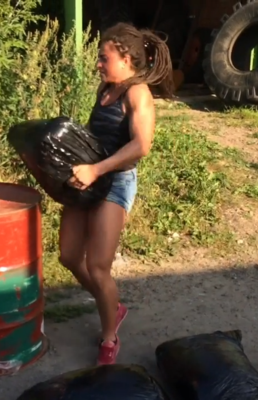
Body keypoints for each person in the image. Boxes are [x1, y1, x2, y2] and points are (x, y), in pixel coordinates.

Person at [58, 22, 174, 365]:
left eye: (103, 58)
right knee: (68, 256)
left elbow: (142, 145)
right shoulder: (105, 88)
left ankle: (109, 335)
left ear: (125, 59)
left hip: (116, 181)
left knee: (97, 266)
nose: (98, 64)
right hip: (89, 179)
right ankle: (111, 302)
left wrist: (96, 170)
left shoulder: (137, 93)